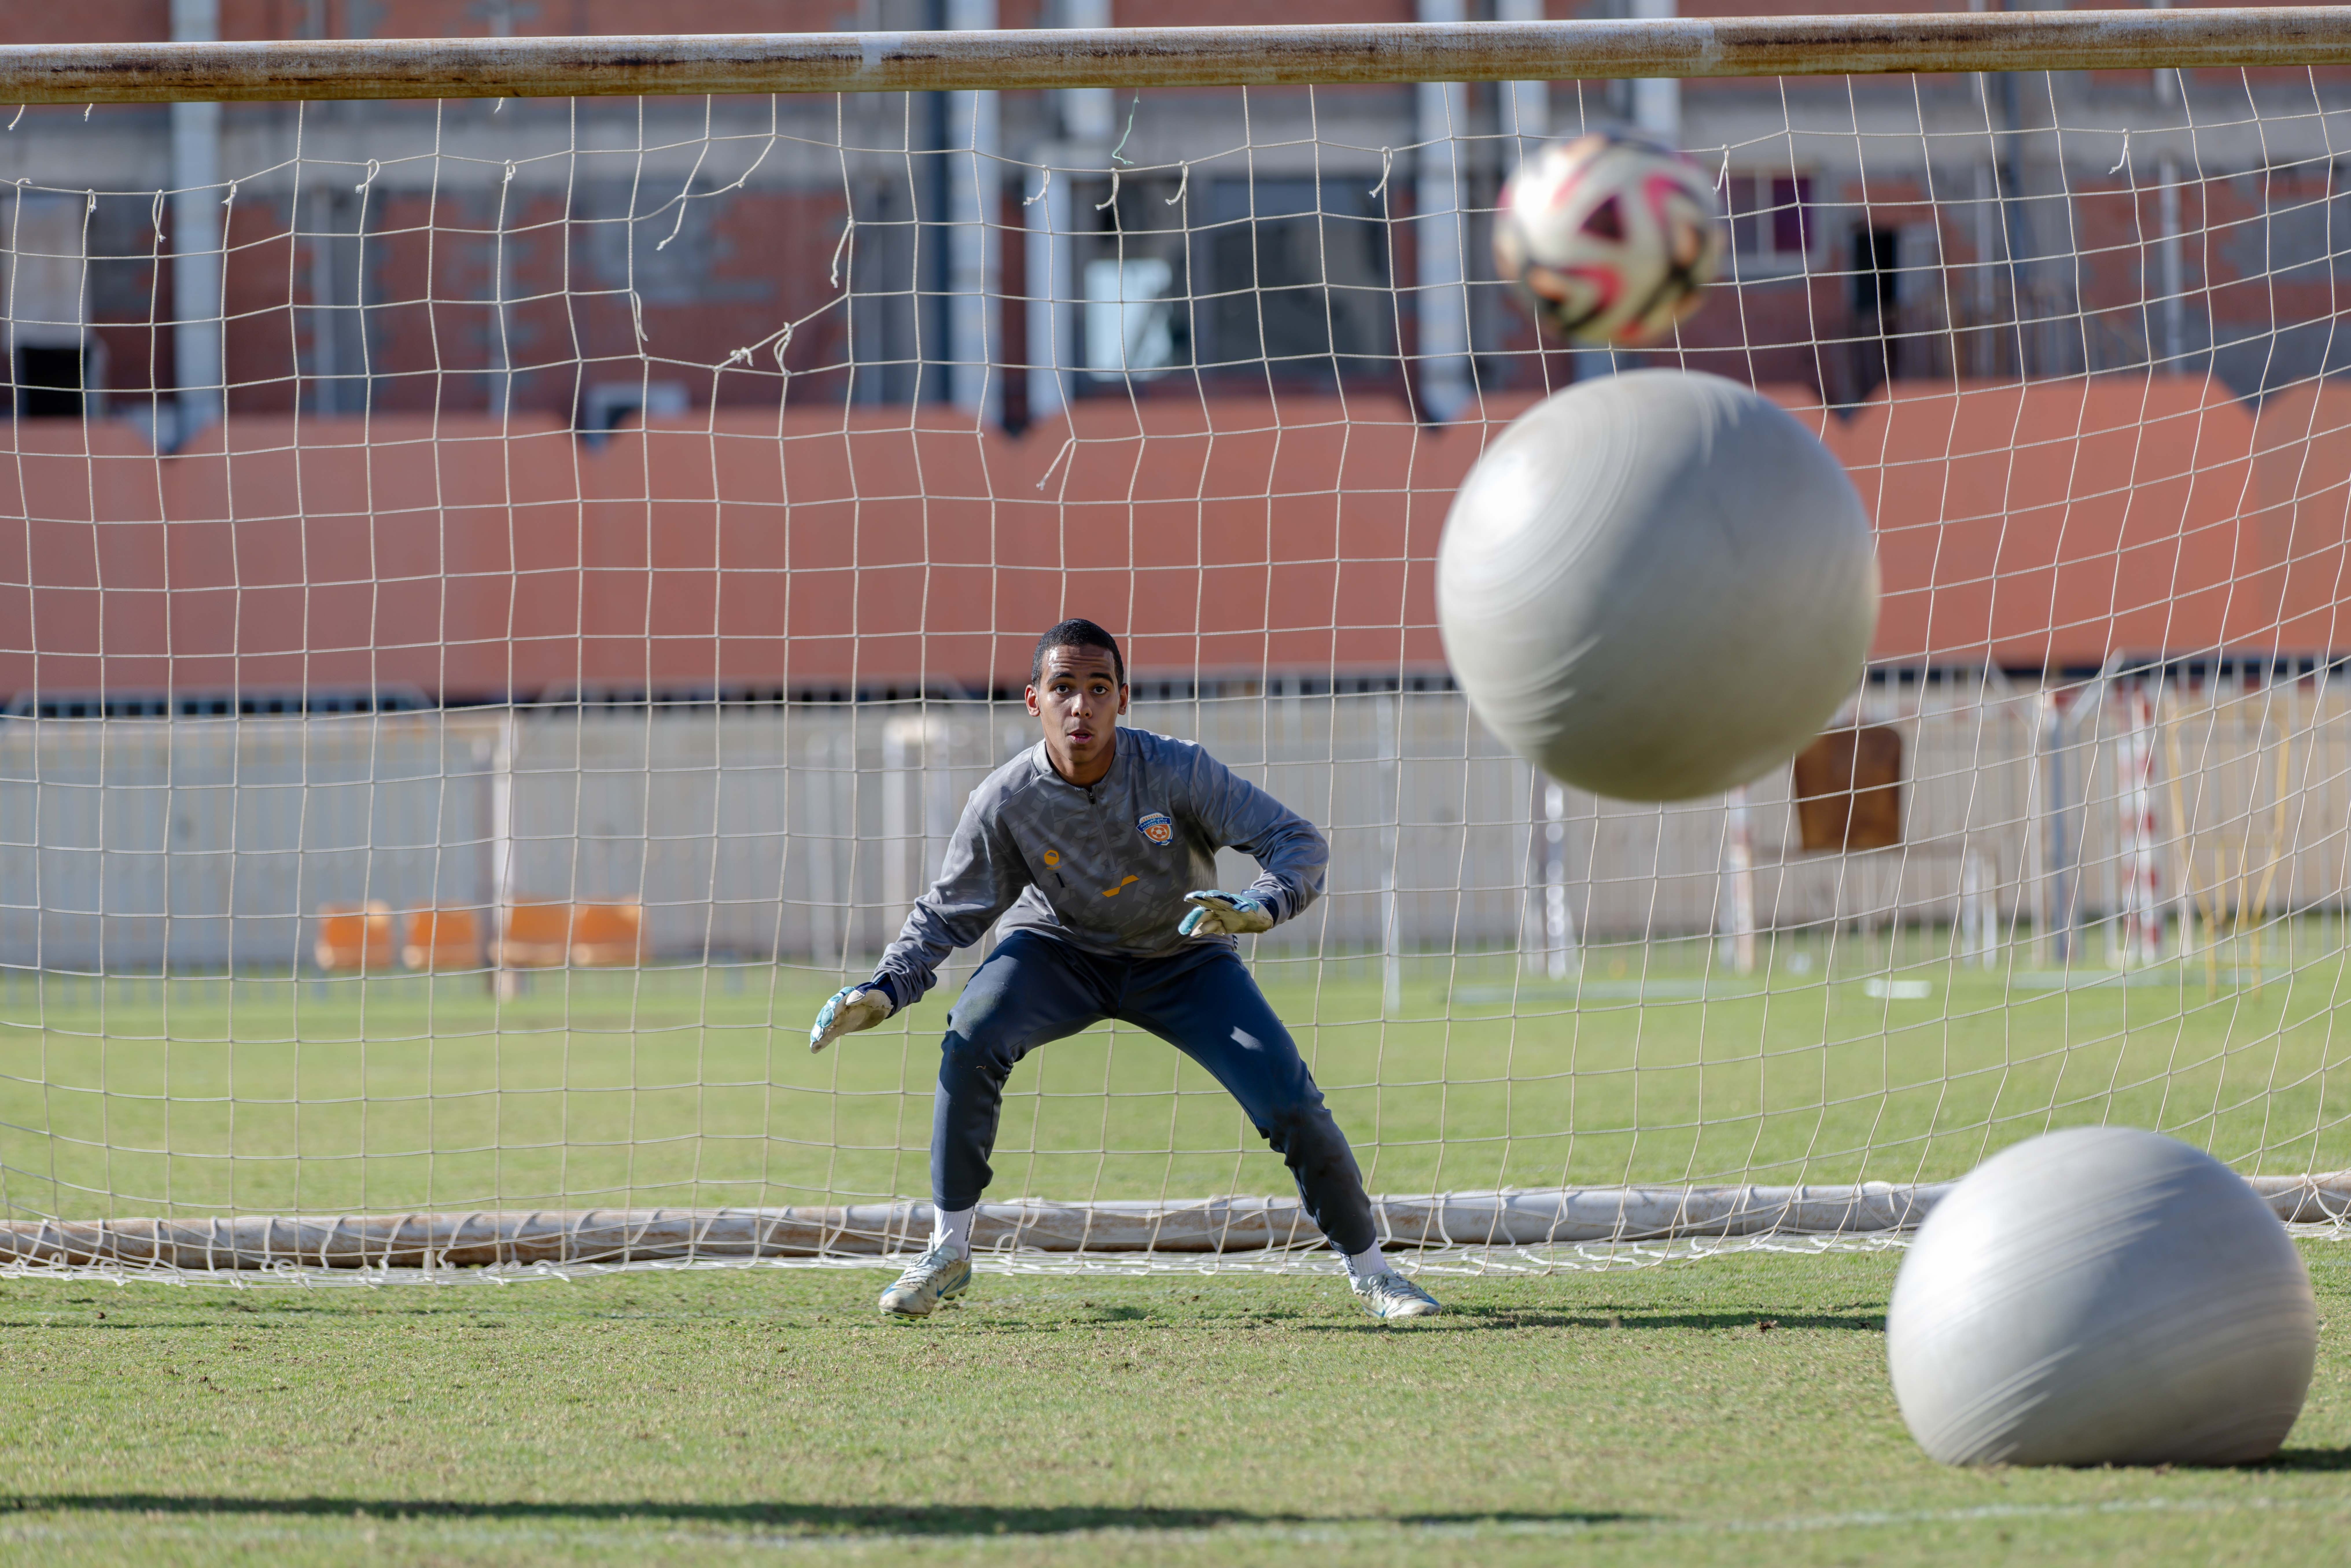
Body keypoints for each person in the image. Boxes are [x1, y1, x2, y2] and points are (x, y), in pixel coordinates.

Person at [808, 618, 1440, 1324]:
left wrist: (1261, 905)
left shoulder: (1177, 769)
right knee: (973, 1030)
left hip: (1184, 955)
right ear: (1032, 700)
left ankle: (1374, 1272)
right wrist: (887, 988)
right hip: (1058, 952)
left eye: (1098, 689)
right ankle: (947, 1250)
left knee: (1288, 1099)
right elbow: (947, 911)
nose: (1081, 706)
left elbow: (1295, 840)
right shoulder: (1005, 798)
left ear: (1122, 699)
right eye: (1063, 688)